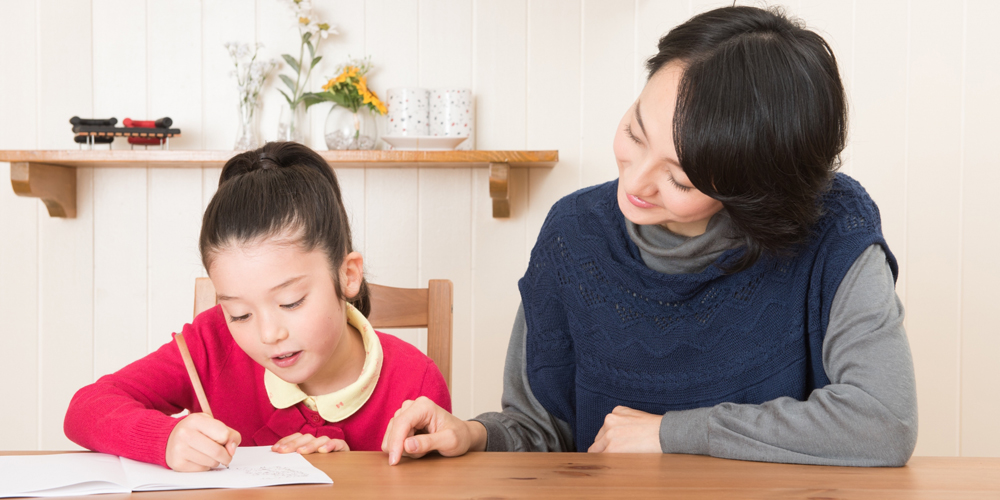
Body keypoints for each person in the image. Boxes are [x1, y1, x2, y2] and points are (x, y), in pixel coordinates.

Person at [382, 5, 917, 467]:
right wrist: (471, 433)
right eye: (635, 133)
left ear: (755, 189)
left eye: (679, 178)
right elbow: (540, 431)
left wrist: (670, 433)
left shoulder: (832, 228)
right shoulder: (574, 234)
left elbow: (882, 420)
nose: (634, 182)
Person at [64, 141, 451, 471]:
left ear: (348, 275)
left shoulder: (415, 384)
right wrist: (165, 439)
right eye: (240, 314)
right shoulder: (211, 343)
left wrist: (353, 478)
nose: (269, 334)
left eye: (291, 301)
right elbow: (85, 409)